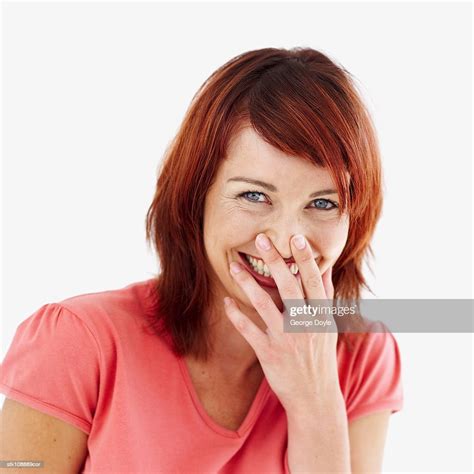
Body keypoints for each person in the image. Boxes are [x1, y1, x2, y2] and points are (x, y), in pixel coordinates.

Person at [0, 47, 403, 473]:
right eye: (254, 196)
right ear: (196, 197)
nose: (287, 244)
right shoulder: (80, 343)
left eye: (322, 203)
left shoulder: (361, 355)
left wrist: (316, 401)